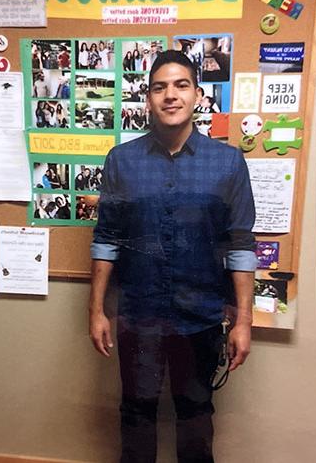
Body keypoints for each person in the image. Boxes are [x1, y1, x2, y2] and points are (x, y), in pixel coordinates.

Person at [89, 50, 256, 463]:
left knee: (196, 416)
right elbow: (106, 238)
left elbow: (240, 243)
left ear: (198, 95)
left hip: (200, 318)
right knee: (137, 414)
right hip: (138, 316)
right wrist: (95, 310)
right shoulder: (122, 161)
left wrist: (244, 321)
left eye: (181, 85)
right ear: (147, 99)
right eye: (159, 87)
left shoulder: (228, 162)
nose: (170, 95)